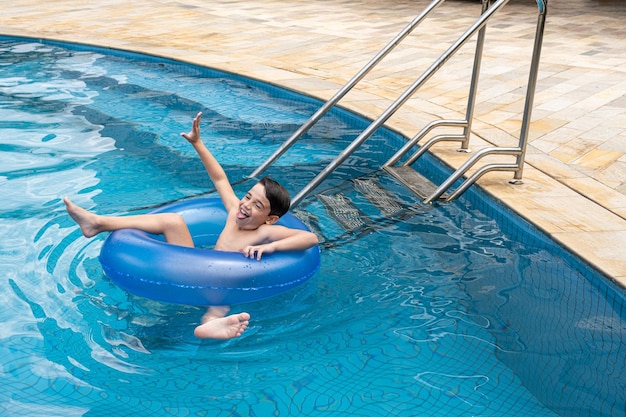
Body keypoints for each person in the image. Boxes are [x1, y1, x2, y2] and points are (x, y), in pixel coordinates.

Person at [64, 112, 319, 340]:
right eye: (247, 196)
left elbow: (310, 240)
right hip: (194, 270)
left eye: (257, 206)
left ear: (270, 219)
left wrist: (272, 248)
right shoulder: (233, 213)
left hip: (223, 285)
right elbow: (219, 178)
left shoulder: (265, 232)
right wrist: (198, 144)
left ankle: (211, 326)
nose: (245, 205)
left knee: (217, 308)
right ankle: (98, 223)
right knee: (172, 221)